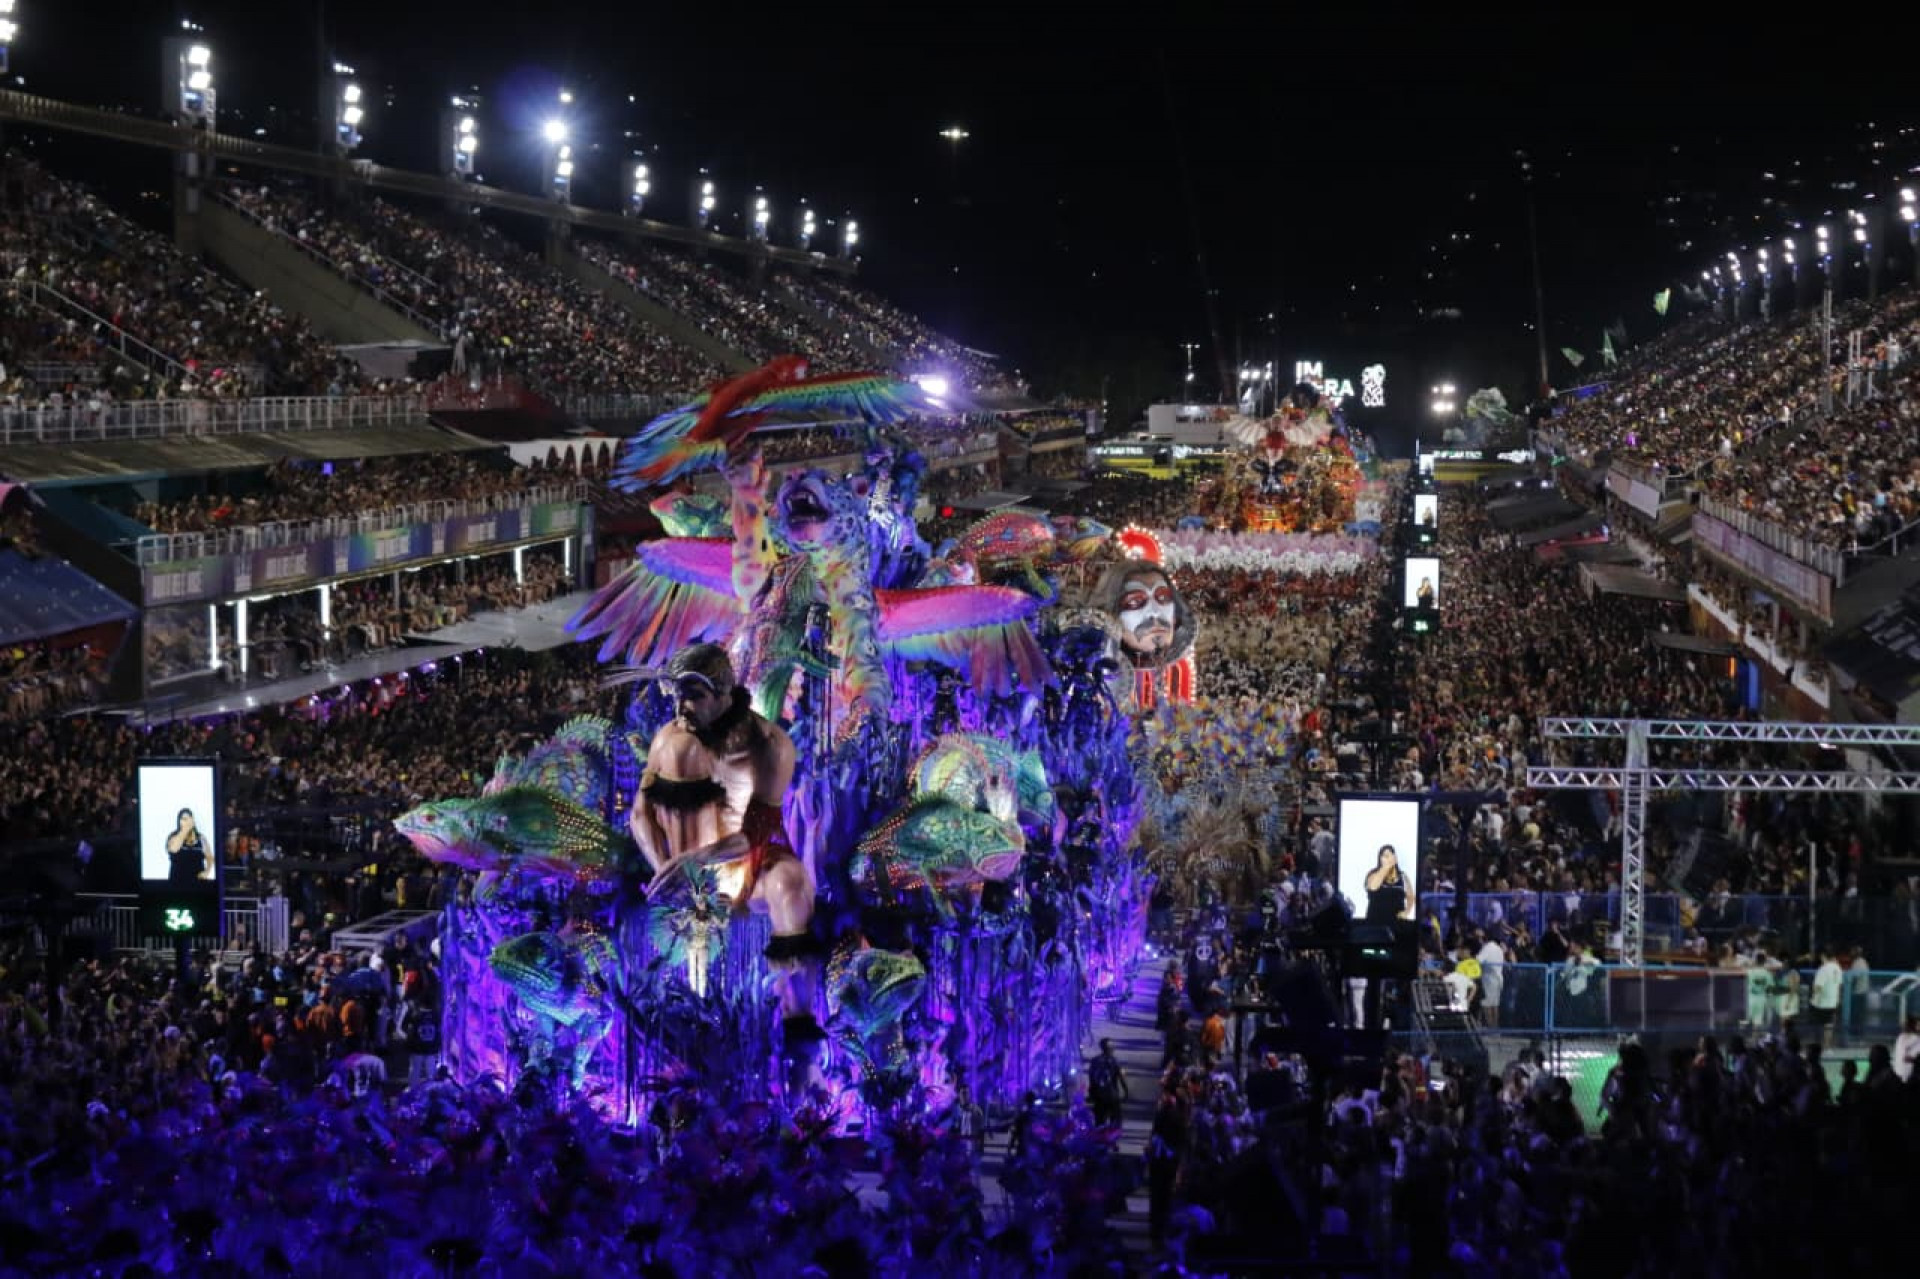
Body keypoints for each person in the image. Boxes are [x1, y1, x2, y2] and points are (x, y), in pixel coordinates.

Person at [631, 643, 820, 1041]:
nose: (682, 706)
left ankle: (797, 1027)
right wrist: (663, 868)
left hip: (749, 864)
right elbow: (640, 815)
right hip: (684, 871)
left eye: (694, 696)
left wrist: (699, 861)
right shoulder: (671, 740)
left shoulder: (770, 745)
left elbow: (757, 833)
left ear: (724, 695)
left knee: (793, 886)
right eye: (678, 696)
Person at [1364, 845, 1413, 923]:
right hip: (1375, 923)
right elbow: (1373, 887)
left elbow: (1410, 897)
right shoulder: (1373, 874)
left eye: (1390, 856)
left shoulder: (1403, 876)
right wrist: (1385, 867)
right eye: (1385, 856)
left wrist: (1407, 911)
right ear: (1380, 859)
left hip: (1397, 923)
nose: (1388, 859)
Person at [1088, 1038, 1128, 1127]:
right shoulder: (1114, 1061)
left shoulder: (1095, 1061)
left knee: (1099, 1121)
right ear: (1110, 1048)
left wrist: (1091, 1093)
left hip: (1099, 1096)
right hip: (1112, 1095)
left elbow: (1091, 1078)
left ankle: (1100, 1137)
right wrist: (1126, 1091)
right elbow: (1121, 1077)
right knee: (1115, 1121)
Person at [166, 808, 209, 884]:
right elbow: (172, 850)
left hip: (198, 883)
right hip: (177, 882)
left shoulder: (201, 838)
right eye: (183, 819)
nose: (186, 822)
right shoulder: (173, 837)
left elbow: (208, 856)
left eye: (188, 819)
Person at [1810, 949, 1843, 1048]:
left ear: (1823, 956)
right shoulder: (1838, 968)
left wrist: (1813, 996)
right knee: (1829, 1026)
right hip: (1832, 1002)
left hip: (1820, 1003)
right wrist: (1838, 999)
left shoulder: (1823, 969)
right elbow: (1839, 985)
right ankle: (1827, 1047)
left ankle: (1817, 1048)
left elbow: (1817, 987)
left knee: (1817, 1027)